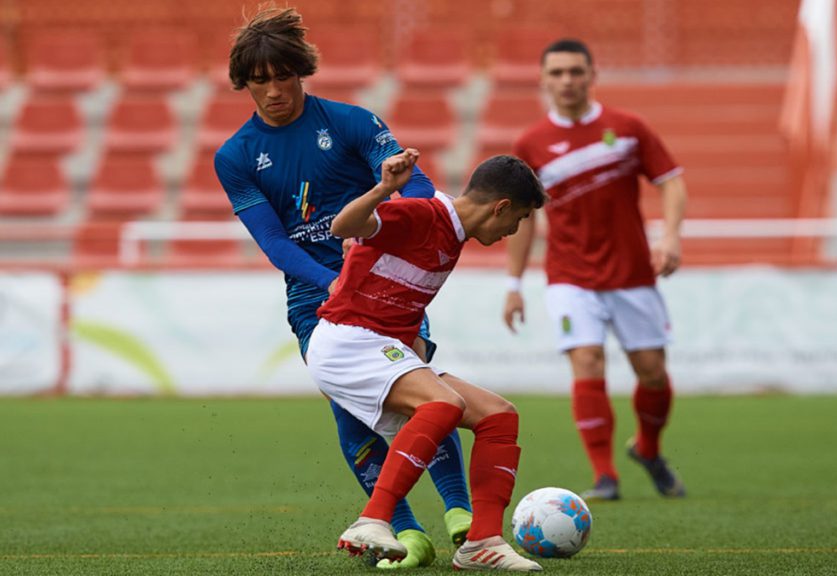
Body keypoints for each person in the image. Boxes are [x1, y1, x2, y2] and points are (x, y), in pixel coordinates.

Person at [213, 7, 471, 568]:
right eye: (261, 81)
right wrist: (335, 283)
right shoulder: (234, 156)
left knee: (421, 395)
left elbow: (415, 188)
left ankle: (461, 516)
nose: (275, 90)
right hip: (314, 295)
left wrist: (399, 205)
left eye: (284, 76)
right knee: (351, 410)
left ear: (301, 72)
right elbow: (277, 245)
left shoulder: (352, 122)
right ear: (245, 84)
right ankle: (403, 530)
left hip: (386, 282)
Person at [306, 151, 547, 571]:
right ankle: (374, 520)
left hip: (381, 346)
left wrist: (416, 359)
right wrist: (384, 189)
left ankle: (482, 542)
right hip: (347, 342)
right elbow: (342, 227)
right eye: (520, 219)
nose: (514, 230)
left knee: (499, 416)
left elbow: (401, 299)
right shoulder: (421, 214)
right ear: (501, 207)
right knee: (443, 404)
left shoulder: (453, 237)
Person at [503, 38, 687, 501]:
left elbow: (671, 182)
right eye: (558, 73)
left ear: (592, 75)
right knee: (587, 361)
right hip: (570, 275)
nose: (567, 81)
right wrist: (513, 283)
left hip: (631, 274)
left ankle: (647, 448)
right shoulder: (530, 144)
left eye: (576, 72)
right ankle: (605, 475)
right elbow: (521, 220)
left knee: (652, 373)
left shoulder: (627, 128)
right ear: (544, 80)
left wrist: (669, 238)